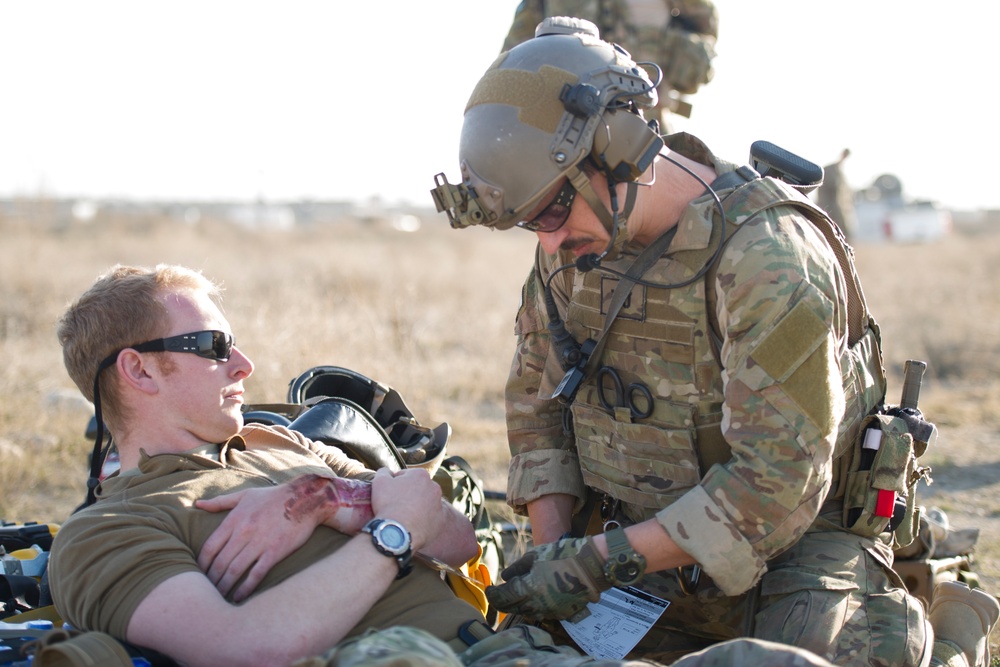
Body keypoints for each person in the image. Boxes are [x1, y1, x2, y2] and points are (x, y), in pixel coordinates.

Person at [430, 17, 999, 667]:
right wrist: (556, 564)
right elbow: (538, 414)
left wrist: (594, 562)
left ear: (620, 149)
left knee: (821, 656)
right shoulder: (570, 251)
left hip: (789, 552)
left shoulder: (766, 258)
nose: (550, 242)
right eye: (531, 222)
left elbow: (778, 488)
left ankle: (957, 625)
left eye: (554, 211)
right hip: (637, 548)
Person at [47, 263, 849, 667]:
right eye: (212, 346)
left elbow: (459, 535)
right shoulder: (109, 529)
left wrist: (333, 499)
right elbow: (243, 648)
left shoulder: (279, 446)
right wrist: (387, 531)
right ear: (138, 371)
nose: (244, 363)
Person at [501, 0, 718, 132]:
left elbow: (706, 28)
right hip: (567, 125)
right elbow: (514, 62)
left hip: (646, 123)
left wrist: (664, 49)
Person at [816, 148, 859, 242]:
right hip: (830, 208)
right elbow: (832, 187)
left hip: (838, 208)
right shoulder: (831, 170)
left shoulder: (839, 171)